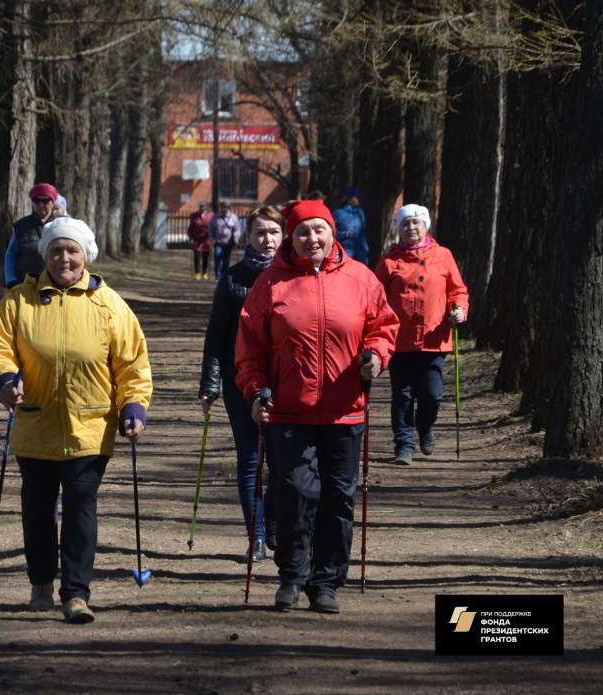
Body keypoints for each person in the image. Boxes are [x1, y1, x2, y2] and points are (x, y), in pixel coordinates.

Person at [0, 216, 152, 624]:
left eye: (72, 250)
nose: (64, 258)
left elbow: (132, 363)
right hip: (35, 423)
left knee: (80, 507)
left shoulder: (109, 304)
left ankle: (76, 593)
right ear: (45, 256)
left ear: (85, 256)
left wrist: (133, 407)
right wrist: (5, 380)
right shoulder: (16, 302)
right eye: (56, 250)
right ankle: (41, 584)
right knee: (37, 509)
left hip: (91, 426)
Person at [236, 199, 398, 614]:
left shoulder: (361, 278)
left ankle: (326, 581)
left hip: (346, 410)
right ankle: (292, 575)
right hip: (289, 411)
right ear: (290, 238)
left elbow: (383, 327)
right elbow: (249, 348)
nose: (312, 239)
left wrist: (376, 356)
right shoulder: (269, 284)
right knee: (295, 493)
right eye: (302, 232)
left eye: (318, 230)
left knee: (338, 497)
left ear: (332, 232)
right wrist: (256, 390)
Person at [199, 206, 284, 560]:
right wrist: (210, 384)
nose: (267, 240)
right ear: (247, 237)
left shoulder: (293, 277)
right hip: (240, 384)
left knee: (284, 461)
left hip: (285, 384)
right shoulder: (233, 278)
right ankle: (257, 535)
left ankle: (279, 526)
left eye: (274, 232)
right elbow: (217, 335)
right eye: (260, 233)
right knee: (250, 458)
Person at [375, 204, 470, 465]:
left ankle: (425, 427)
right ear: (399, 228)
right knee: (402, 395)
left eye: (416, 222)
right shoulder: (389, 261)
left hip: (433, 338)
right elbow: (374, 297)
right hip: (399, 340)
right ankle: (404, 446)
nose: (411, 227)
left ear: (426, 226)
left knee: (432, 394)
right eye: (405, 223)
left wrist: (459, 310)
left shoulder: (443, 255)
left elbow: (458, 290)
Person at [3, 183, 59, 288]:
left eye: (45, 200)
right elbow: (11, 254)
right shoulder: (21, 226)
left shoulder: (62, 225)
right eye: (36, 201)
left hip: (55, 285)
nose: (41, 204)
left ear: (53, 202)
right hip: (24, 284)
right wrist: (11, 279)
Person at [331, 186, 369, 265]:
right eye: (357, 197)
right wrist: (344, 234)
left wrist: (365, 248)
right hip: (345, 255)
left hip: (361, 256)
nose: (359, 199)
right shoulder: (338, 213)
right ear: (350, 199)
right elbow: (331, 234)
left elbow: (363, 233)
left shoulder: (360, 212)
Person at [209, 200, 240, 281]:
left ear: (229, 208)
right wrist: (211, 238)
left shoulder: (233, 217)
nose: (224, 208)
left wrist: (236, 238)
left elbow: (237, 229)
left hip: (228, 242)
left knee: (226, 260)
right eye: (222, 207)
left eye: (226, 207)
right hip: (218, 241)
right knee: (217, 256)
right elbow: (211, 228)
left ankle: (223, 276)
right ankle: (217, 276)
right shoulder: (215, 216)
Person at [187, 201, 213, 280]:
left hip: (207, 240)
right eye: (201, 207)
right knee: (197, 257)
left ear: (206, 208)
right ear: (199, 208)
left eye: (204, 207)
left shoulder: (210, 216)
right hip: (196, 240)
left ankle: (204, 273)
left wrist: (212, 237)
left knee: (205, 257)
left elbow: (213, 228)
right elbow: (191, 228)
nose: (202, 208)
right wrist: (190, 237)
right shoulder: (194, 216)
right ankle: (197, 272)